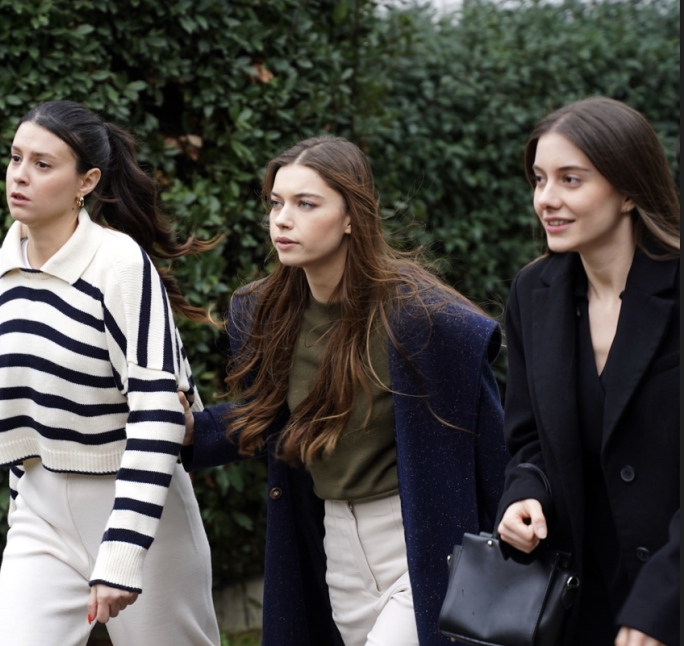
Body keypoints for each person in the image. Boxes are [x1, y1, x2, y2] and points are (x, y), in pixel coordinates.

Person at [179, 136, 509, 646]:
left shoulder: (425, 319)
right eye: (276, 203)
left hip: (420, 543)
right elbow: (273, 416)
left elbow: (492, 448)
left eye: (306, 204)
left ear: (352, 216)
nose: (282, 220)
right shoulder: (265, 312)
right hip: (336, 545)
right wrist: (190, 432)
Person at [0, 100, 220, 646]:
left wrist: (123, 550)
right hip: (39, 513)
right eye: (16, 158)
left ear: (86, 182)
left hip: (139, 508)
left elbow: (159, 412)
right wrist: (22, 502)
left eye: (43, 164)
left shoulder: (120, 265)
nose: (20, 175)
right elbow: (24, 409)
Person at [496, 97, 680, 646]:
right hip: (579, 603)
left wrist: (662, 602)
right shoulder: (532, 293)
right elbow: (529, 439)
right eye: (539, 180)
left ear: (628, 191)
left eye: (570, 180)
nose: (546, 199)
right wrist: (523, 495)